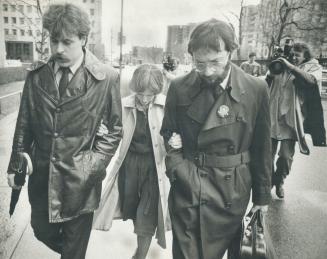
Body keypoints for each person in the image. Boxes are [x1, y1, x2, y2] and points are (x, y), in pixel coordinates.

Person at [6, 4, 122, 259]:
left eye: (66, 41)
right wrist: (16, 166)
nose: (58, 48)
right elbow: (24, 123)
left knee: (72, 250)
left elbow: (114, 130)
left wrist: (90, 167)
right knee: (41, 231)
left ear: (83, 39)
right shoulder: (36, 76)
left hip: (80, 184)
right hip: (42, 178)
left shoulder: (106, 78)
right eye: (54, 40)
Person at [160, 18, 272, 259]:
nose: (208, 71)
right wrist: (177, 167)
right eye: (200, 63)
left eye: (215, 62)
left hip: (232, 190)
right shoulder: (179, 87)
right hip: (189, 184)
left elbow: (263, 145)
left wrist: (262, 196)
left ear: (230, 52)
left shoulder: (256, 89)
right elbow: (168, 131)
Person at [93, 64, 171, 259]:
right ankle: (140, 248)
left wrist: (176, 140)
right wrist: (101, 132)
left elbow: (179, 132)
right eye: (140, 94)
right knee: (135, 210)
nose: (144, 99)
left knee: (147, 213)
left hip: (155, 168)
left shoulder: (168, 106)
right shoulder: (122, 104)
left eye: (150, 94)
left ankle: (140, 256)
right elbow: (109, 131)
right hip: (129, 167)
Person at [267, 42, 326, 199]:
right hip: (272, 116)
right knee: (266, 155)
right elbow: (268, 82)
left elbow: (311, 81)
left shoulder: (313, 67)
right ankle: (268, 182)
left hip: (291, 120)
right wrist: (272, 70)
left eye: (297, 55)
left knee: (285, 157)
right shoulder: (281, 65)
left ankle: (279, 181)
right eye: (291, 54)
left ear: (305, 56)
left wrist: (290, 66)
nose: (293, 57)